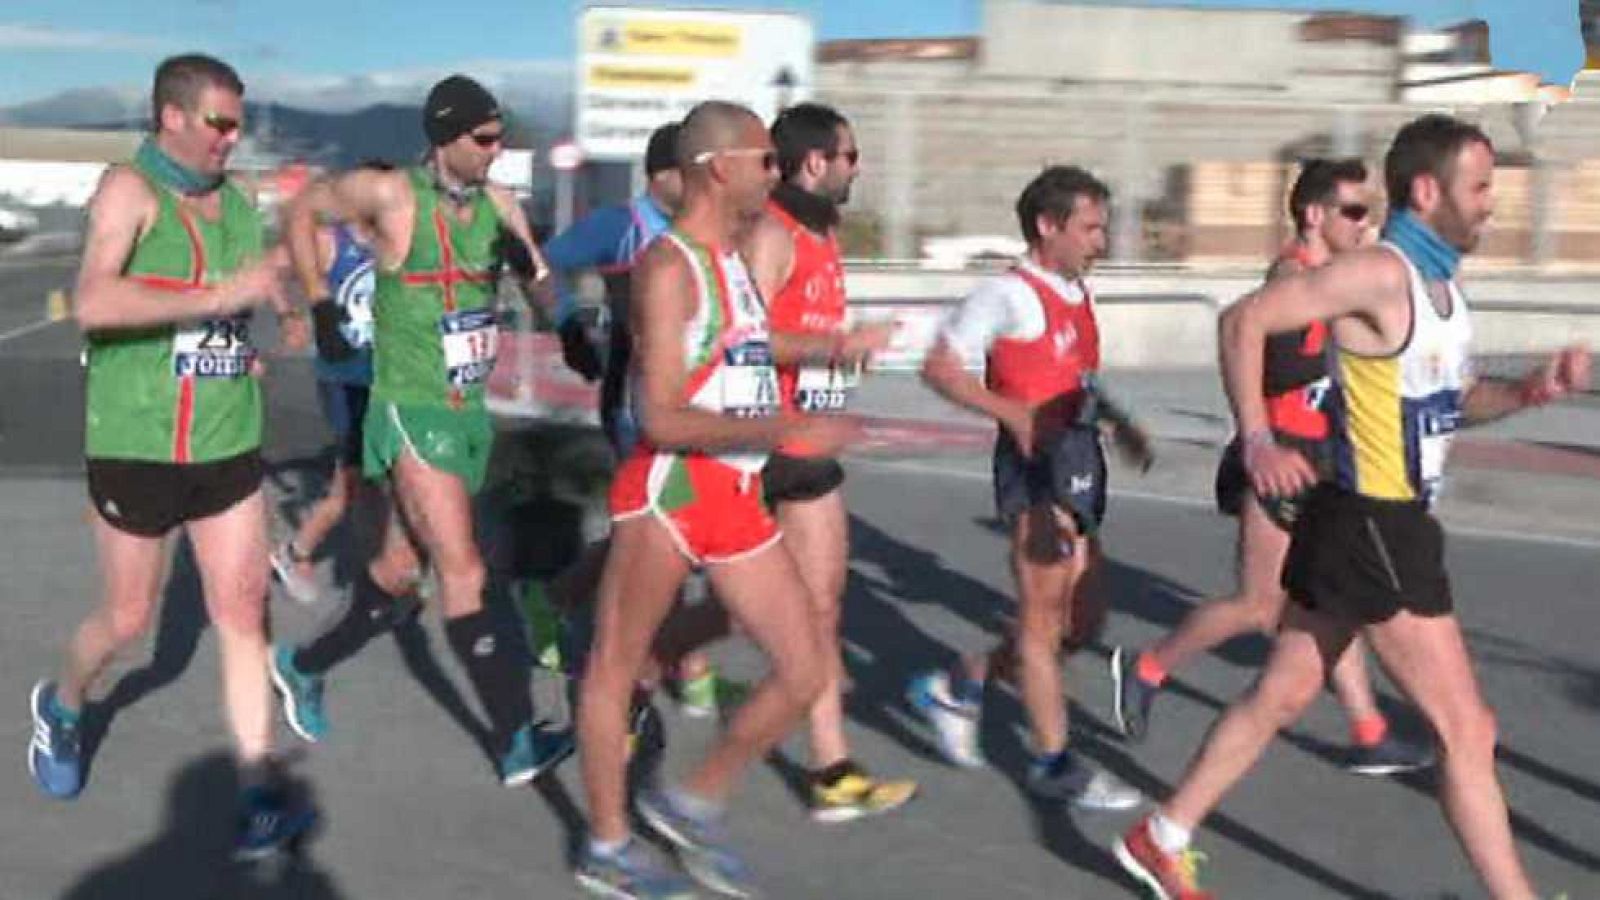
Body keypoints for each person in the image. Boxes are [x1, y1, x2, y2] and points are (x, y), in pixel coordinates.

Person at [1114, 114, 1590, 900]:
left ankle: (1160, 834)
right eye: (1480, 187)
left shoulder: (1441, 290)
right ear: (1427, 190)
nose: (1492, 203)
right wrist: (1257, 440)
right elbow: (1243, 321)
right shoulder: (1377, 273)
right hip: (1376, 524)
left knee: (1283, 693)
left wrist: (1532, 391)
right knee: (1467, 730)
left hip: (1367, 520)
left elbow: (1455, 402)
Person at [27, 52, 315, 857]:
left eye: (238, 124)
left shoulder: (240, 199)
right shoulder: (130, 190)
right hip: (139, 442)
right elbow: (93, 301)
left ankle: (259, 792)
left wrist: (270, 318)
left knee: (243, 611)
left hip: (228, 438)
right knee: (127, 619)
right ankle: (63, 704)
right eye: (220, 122)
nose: (232, 138)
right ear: (173, 117)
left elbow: (241, 288)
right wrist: (218, 299)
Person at [572, 100, 858, 900]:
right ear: (717, 168)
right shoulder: (668, 269)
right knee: (614, 668)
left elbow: (750, 347)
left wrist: (834, 349)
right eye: (765, 159)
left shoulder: (733, 256)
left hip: (734, 492)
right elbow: (660, 416)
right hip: (671, 489)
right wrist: (785, 425)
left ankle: (691, 802)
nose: (777, 171)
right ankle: (606, 844)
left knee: (804, 669)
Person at [267, 75, 572, 786]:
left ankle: (301, 665)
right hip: (410, 407)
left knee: (397, 574)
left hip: (466, 412)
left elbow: (539, 277)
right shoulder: (391, 195)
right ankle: (514, 738)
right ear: (445, 135)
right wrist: (318, 302)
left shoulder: (499, 203)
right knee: (463, 570)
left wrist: (562, 314)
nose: (496, 150)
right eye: (484, 138)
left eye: (501, 138)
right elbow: (303, 209)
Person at [1110, 158, 1432, 777]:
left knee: (1333, 598)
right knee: (1261, 605)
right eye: (1353, 212)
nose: (1365, 225)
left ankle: (1369, 730)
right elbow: (1243, 336)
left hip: (1321, 461)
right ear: (1314, 214)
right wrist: (1259, 440)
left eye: (1370, 213)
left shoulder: (1332, 281)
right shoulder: (1293, 277)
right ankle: (1146, 666)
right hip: (1281, 458)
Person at [906, 165, 1146, 811]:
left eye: (1101, 228)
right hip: (1034, 464)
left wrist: (1121, 424)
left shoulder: (1074, 290)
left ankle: (958, 685)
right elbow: (939, 367)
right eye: (1089, 228)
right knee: (1041, 619)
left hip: (1080, 456)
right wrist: (1011, 414)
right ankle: (1054, 761)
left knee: (1081, 622)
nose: (1100, 242)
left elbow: (1077, 377)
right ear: (1048, 226)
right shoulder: (1006, 295)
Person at [741, 101, 917, 823]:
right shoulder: (771, 234)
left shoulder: (824, 233)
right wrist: (837, 347)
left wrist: (844, 357)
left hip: (809, 448)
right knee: (714, 604)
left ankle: (830, 766)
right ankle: (631, 679)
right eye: (850, 156)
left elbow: (809, 333)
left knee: (820, 604)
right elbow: (745, 339)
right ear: (815, 162)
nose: (856, 169)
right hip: (754, 445)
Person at [530, 122, 732, 721]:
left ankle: (556, 597)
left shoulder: (707, 228)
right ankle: (678, 663)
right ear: (661, 175)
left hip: (700, 402)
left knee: (653, 529)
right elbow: (542, 264)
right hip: (634, 401)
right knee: (671, 529)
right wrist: (568, 326)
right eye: (691, 174)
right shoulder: (621, 226)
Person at [269, 160, 420, 606]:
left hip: (385, 378)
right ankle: (297, 551)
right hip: (345, 379)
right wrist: (291, 314)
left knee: (373, 482)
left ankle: (379, 570)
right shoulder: (329, 239)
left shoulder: (393, 240)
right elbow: (271, 268)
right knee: (354, 480)